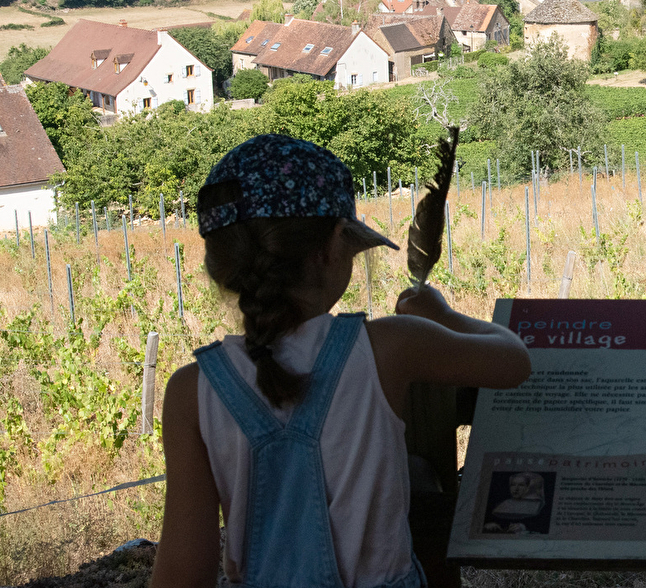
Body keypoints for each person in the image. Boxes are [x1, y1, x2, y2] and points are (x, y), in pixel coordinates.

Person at [150, 135, 532, 588]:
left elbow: (181, 573)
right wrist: (443, 315)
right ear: (334, 247)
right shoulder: (391, 345)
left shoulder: (190, 392)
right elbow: (512, 361)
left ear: (221, 265)